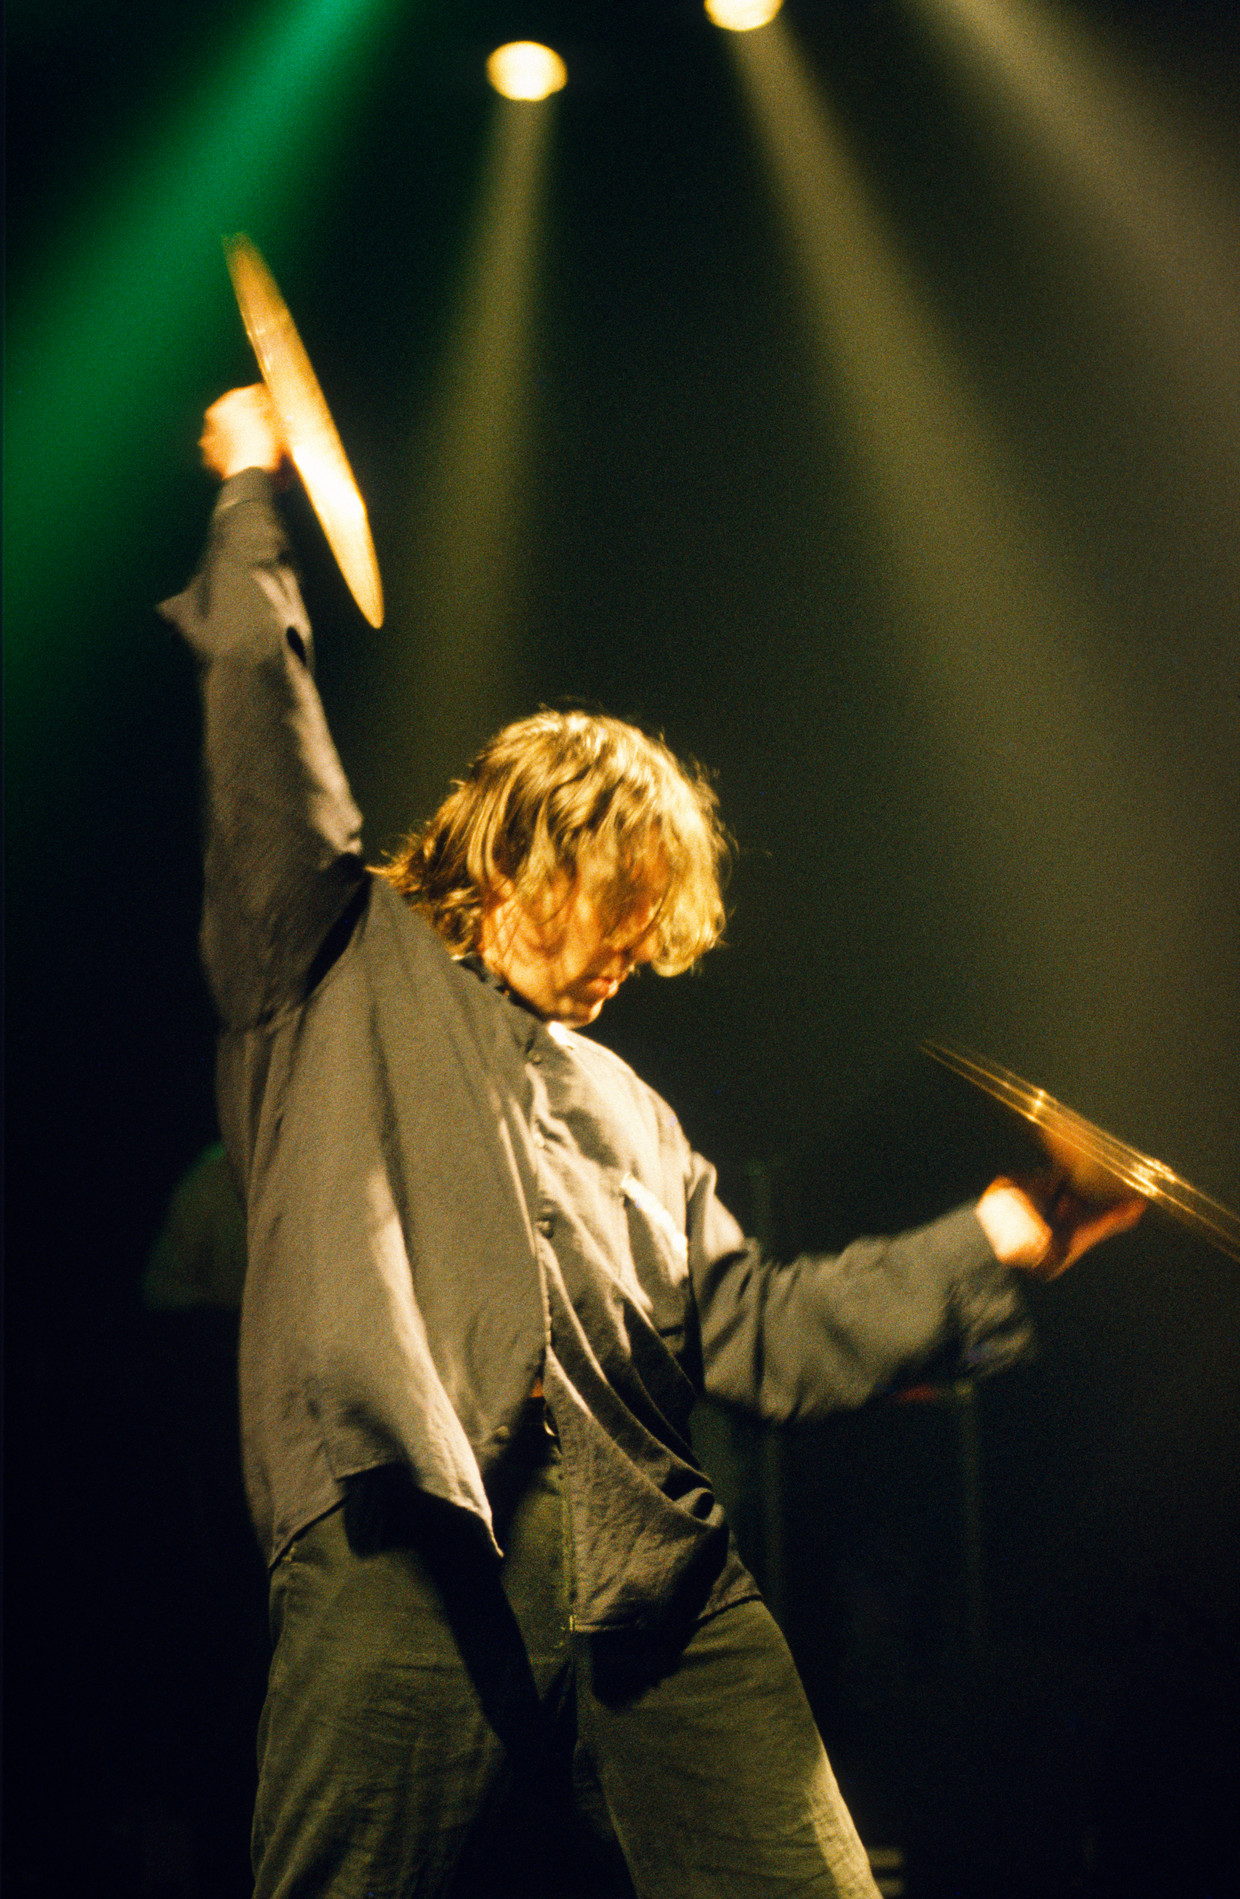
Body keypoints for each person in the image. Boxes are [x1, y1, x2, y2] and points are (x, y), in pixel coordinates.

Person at [165, 384, 1142, 1899]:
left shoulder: (630, 1111)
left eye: (652, 926)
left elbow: (755, 1336)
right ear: (516, 847)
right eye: (616, 902)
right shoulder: (324, 957)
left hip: (658, 1584)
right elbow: (256, 708)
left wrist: (1014, 1231)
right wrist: (247, 489)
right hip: (406, 1548)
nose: (634, 949)